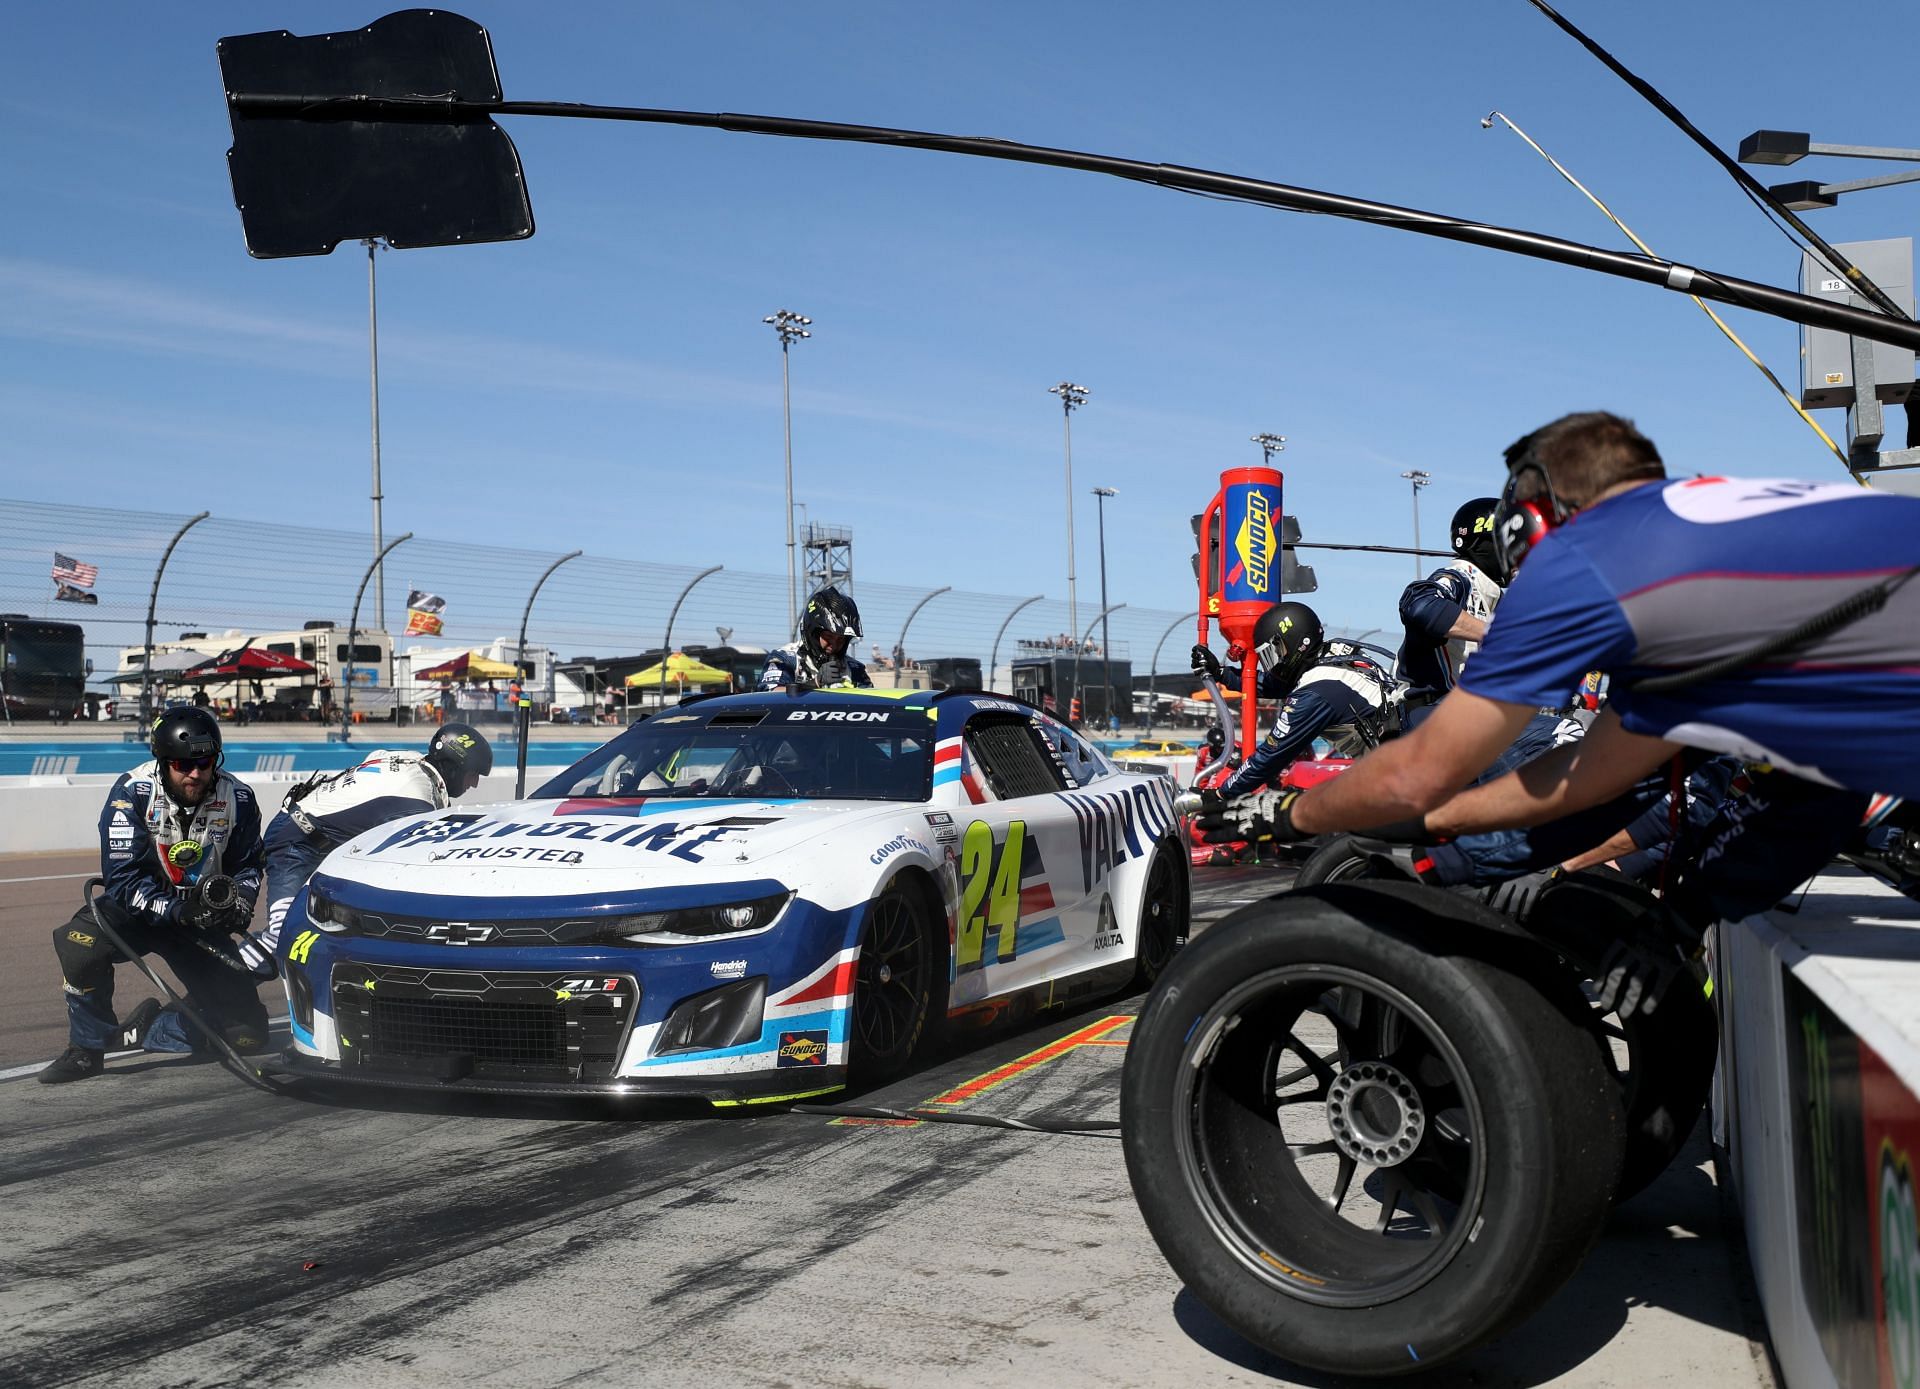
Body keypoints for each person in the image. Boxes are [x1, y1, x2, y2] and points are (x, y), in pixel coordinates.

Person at [1260, 410, 1920, 959]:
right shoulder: (1716, 527)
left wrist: (1289, 813)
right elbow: (1614, 783)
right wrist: (1686, 912)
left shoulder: (1632, 575)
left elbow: (1457, 775)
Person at [41, 708, 268, 1083]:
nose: (195, 773)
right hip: (137, 911)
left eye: (205, 761)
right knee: (77, 943)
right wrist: (176, 909)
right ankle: (86, 1047)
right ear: (162, 761)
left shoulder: (239, 799)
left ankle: (152, 1028)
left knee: (246, 1036)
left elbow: (247, 867)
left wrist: (239, 904)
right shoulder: (131, 793)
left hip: (199, 920)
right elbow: (124, 881)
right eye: (183, 764)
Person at [258, 722, 494, 956]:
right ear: (452, 767)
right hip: (295, 844)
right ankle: (227, 985)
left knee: (330, 936)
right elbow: (413, 867)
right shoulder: (415, 798)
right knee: (281, 938)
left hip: (309, 837)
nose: (474, 784)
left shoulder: (408, 759)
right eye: (472, 774)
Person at [1189, 602, 1397, 803]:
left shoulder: (1317, 692)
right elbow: (1278, 685)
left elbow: (1269, 757)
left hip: (1400, 778)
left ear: (1296, 643)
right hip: (1405, 759)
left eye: (1273, 654)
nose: (1273, 664)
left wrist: (1218, 795)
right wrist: (1222, 674)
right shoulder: (1336, 654)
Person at [1398, 496, 1507, 706]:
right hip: (1433, 708)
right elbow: (1420, 604)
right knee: (1566, 732)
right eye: (1511, 545)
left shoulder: (1491, 594)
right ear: (1486, 544)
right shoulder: (1460, 577)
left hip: (1467, 711)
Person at [760, 586, 873, 691]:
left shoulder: (855, 669)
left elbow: (873, 701)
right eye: (828, 637)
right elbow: (770, 693)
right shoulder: (784, 659)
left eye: (841, 639)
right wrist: (815, 683)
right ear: (813, 633)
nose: (833, 645)